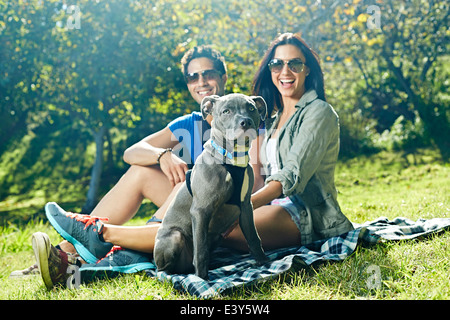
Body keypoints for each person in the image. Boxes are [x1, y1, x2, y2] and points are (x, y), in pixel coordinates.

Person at [11, 45, 228, 285]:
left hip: (221, 215)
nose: (201, 82)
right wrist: (162, 154)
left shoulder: (242, 115)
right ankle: (69, 251)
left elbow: (250, 187)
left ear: (223, 77)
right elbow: (132, 152)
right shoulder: (190, 124)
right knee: (141, 172)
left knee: (186, 184)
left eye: (208, 73)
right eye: (192, 76)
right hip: (187, 208)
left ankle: (95, 242)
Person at [223, 32, 354, 250]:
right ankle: (161, 244)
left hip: (306, 213)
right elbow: (259, 178)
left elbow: (290, 174)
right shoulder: (273, 121)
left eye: (295, 64)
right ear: (270, 70)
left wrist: (244, 209)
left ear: (307, 69)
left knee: (223, 232)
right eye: (277, 64)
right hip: (274, 206)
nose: (285, 71)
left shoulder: (320, 112)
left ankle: (156, 246)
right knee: (209, 223)